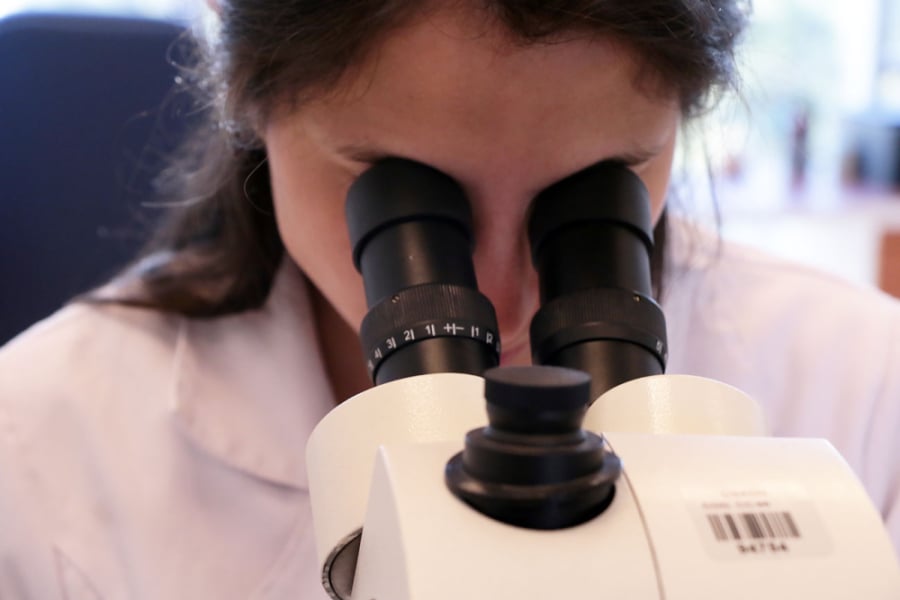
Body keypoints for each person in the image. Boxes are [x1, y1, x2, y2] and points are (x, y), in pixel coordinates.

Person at [0, 0, 898, 597]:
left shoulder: (862, 390)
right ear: (251, 102)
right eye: (409, 199)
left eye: (594, 193)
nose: (504, 303)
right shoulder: (42, 450)